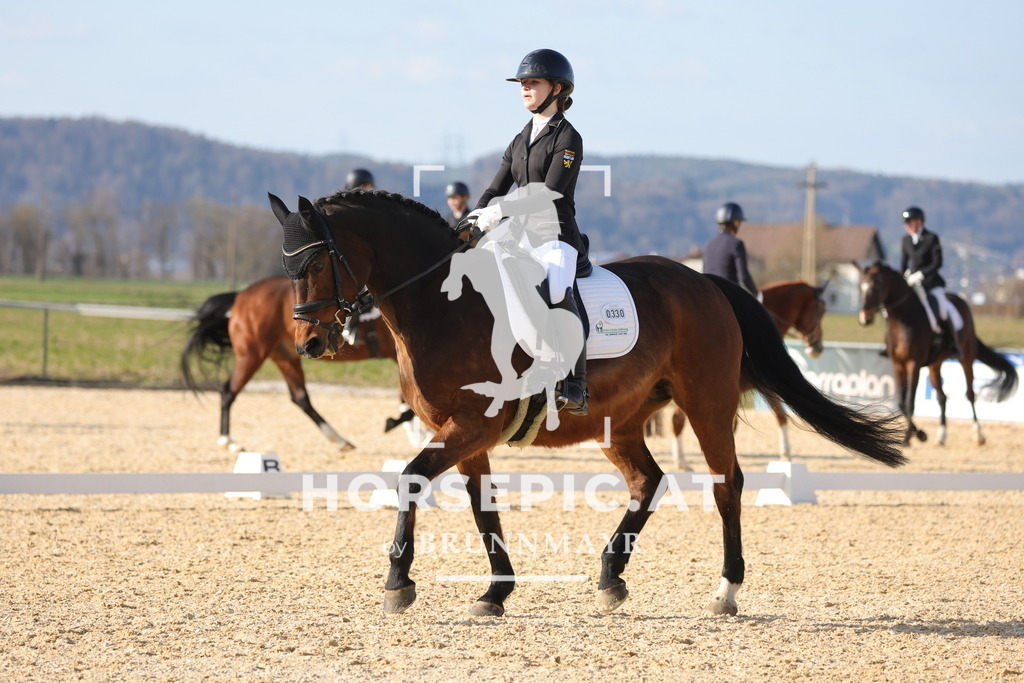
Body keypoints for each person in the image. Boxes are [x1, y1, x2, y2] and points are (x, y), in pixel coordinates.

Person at [464, 48, 591, 416]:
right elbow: (495, 187)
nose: (524, 88)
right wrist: (475, 217)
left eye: (532, 82)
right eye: (522, 83)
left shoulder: (568, 137)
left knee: (556, 288)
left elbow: (548, 193)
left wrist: (500, 210)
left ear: (557, 88)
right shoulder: (521, 138)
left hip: (556, 235)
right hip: (519, 235)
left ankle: (577, 384)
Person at [900, 206, 962, 358]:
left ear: (919, 222)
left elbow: (937, 263)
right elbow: (903, 264)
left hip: (932, 283)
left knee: (941, 308)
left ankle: (953, 344)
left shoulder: (931, 238)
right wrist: (904, 277)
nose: (907, 225)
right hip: (913, 283)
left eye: (910, 222)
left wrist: (921, 274)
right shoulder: (906, 240)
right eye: (906, 223)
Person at [703, 202, 761, 300]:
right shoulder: (736, 244)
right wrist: (756, 293)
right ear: (735, 222)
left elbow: (705, 271)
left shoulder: (709, 244)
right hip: (728, 296)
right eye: (739, 222)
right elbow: (744, 277)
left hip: (710, 295)